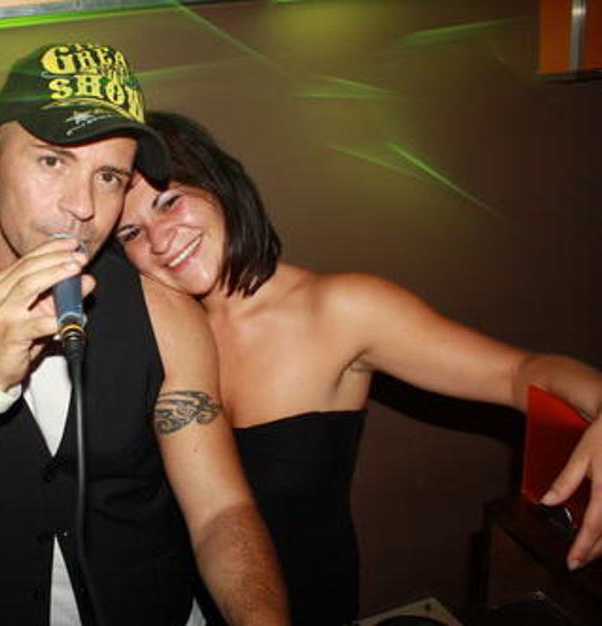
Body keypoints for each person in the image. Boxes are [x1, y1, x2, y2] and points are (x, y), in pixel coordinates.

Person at [0, 45, 288, 625]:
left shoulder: (164, 311)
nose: (82, 207)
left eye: (109, 176)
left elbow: (220, 513)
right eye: (53, 161)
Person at [116, 111, 602, 626]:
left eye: (169, 201)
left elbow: (518, 373)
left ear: (218, 186)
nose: (161, 239)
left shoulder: (341, 310)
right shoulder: (147, 336)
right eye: (131, 232)